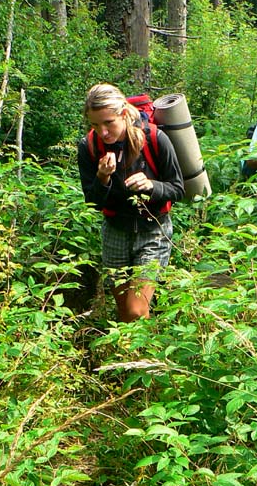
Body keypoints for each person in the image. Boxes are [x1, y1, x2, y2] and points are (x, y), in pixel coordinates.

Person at [78, 83, 184, 322]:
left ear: (124, 114)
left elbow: (178, 189)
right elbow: (92, 202)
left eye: (109, 123)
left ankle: (147, 344)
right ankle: (140, 345)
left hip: (153, 231)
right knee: (126, 312)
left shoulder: (155, 138)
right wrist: (102, 178)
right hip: (115, 231)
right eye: (95, 125)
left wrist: (152, 185)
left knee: (136, 309)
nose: (103, 132)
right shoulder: (89, 146)